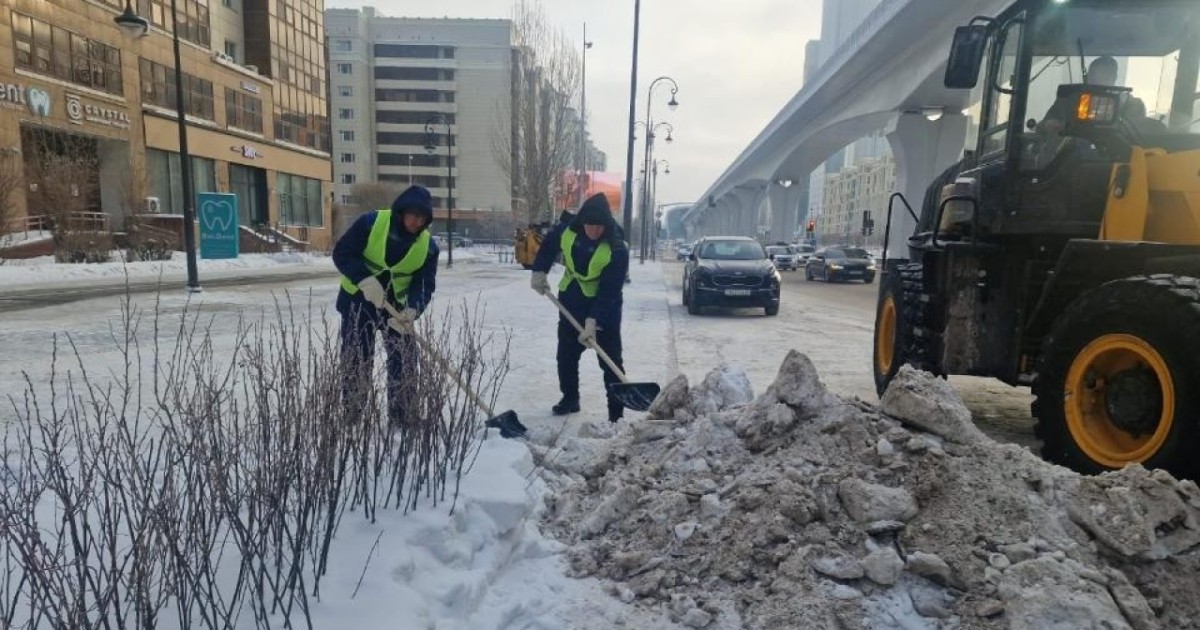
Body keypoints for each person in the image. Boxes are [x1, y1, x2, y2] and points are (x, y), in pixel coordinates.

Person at [333, 185, 440, 428]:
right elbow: (342, 253)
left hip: (397, 309)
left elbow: (424, 284)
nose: (416, 222)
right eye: (413, 215)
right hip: (359, 300)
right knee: (357, 357)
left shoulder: (428, 246)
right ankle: (352, 415)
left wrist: (413, 309)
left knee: (405, 357)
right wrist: (363, 278)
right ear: (401, 211)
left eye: (422, 218)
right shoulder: (371, 223)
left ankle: (403, 415)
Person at [530, 194, 631, 422]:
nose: (594, 230)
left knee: (611, 361)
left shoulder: (617, 249)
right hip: (572, 300)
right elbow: (548, 246)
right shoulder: (567, 231)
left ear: (607, 225)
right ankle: (570, 398)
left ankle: (616, 414)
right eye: (589, 225)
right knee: (566, 356)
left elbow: (609, 291)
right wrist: (539, 270)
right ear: (582, 221)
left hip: (605, 310)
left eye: (599, 226)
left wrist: (594, 321)